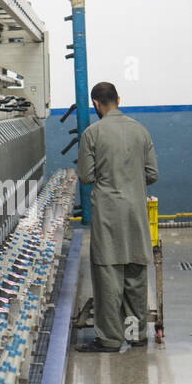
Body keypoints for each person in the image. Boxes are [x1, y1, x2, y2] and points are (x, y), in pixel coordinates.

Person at [74, 81, 158, 353]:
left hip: (109, 214)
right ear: (118, 99)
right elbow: (152, 174)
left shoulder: (92, 133)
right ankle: (136, 335)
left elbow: (85, 176)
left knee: (109, 274)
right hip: (135, 212)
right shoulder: (140, 130)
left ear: (96, 104)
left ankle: (110, 340)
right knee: (135, 274)